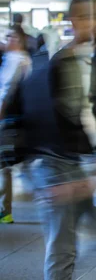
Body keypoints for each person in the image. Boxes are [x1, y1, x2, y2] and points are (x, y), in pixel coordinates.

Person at [19, 0, 96, 280]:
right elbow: (49, 116)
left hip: (62, 164)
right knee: (62, 247)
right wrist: (50, 178)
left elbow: (71, 118)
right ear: (75, 20)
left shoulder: (69, 58)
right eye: (89, 18)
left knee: (68, 242)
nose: (94, 25)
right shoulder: (61, 61)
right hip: (54, 167)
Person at [0, 25, 32, 224]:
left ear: (19, 40)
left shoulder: (20, 61)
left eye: (11, 37)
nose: (7, 40)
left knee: (5, 165)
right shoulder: (12, 59)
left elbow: (8, 90)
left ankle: (5, 209)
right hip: (11, 120)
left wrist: (1, 114)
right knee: (7, 165)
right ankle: (5, 209)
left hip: (9, 120)